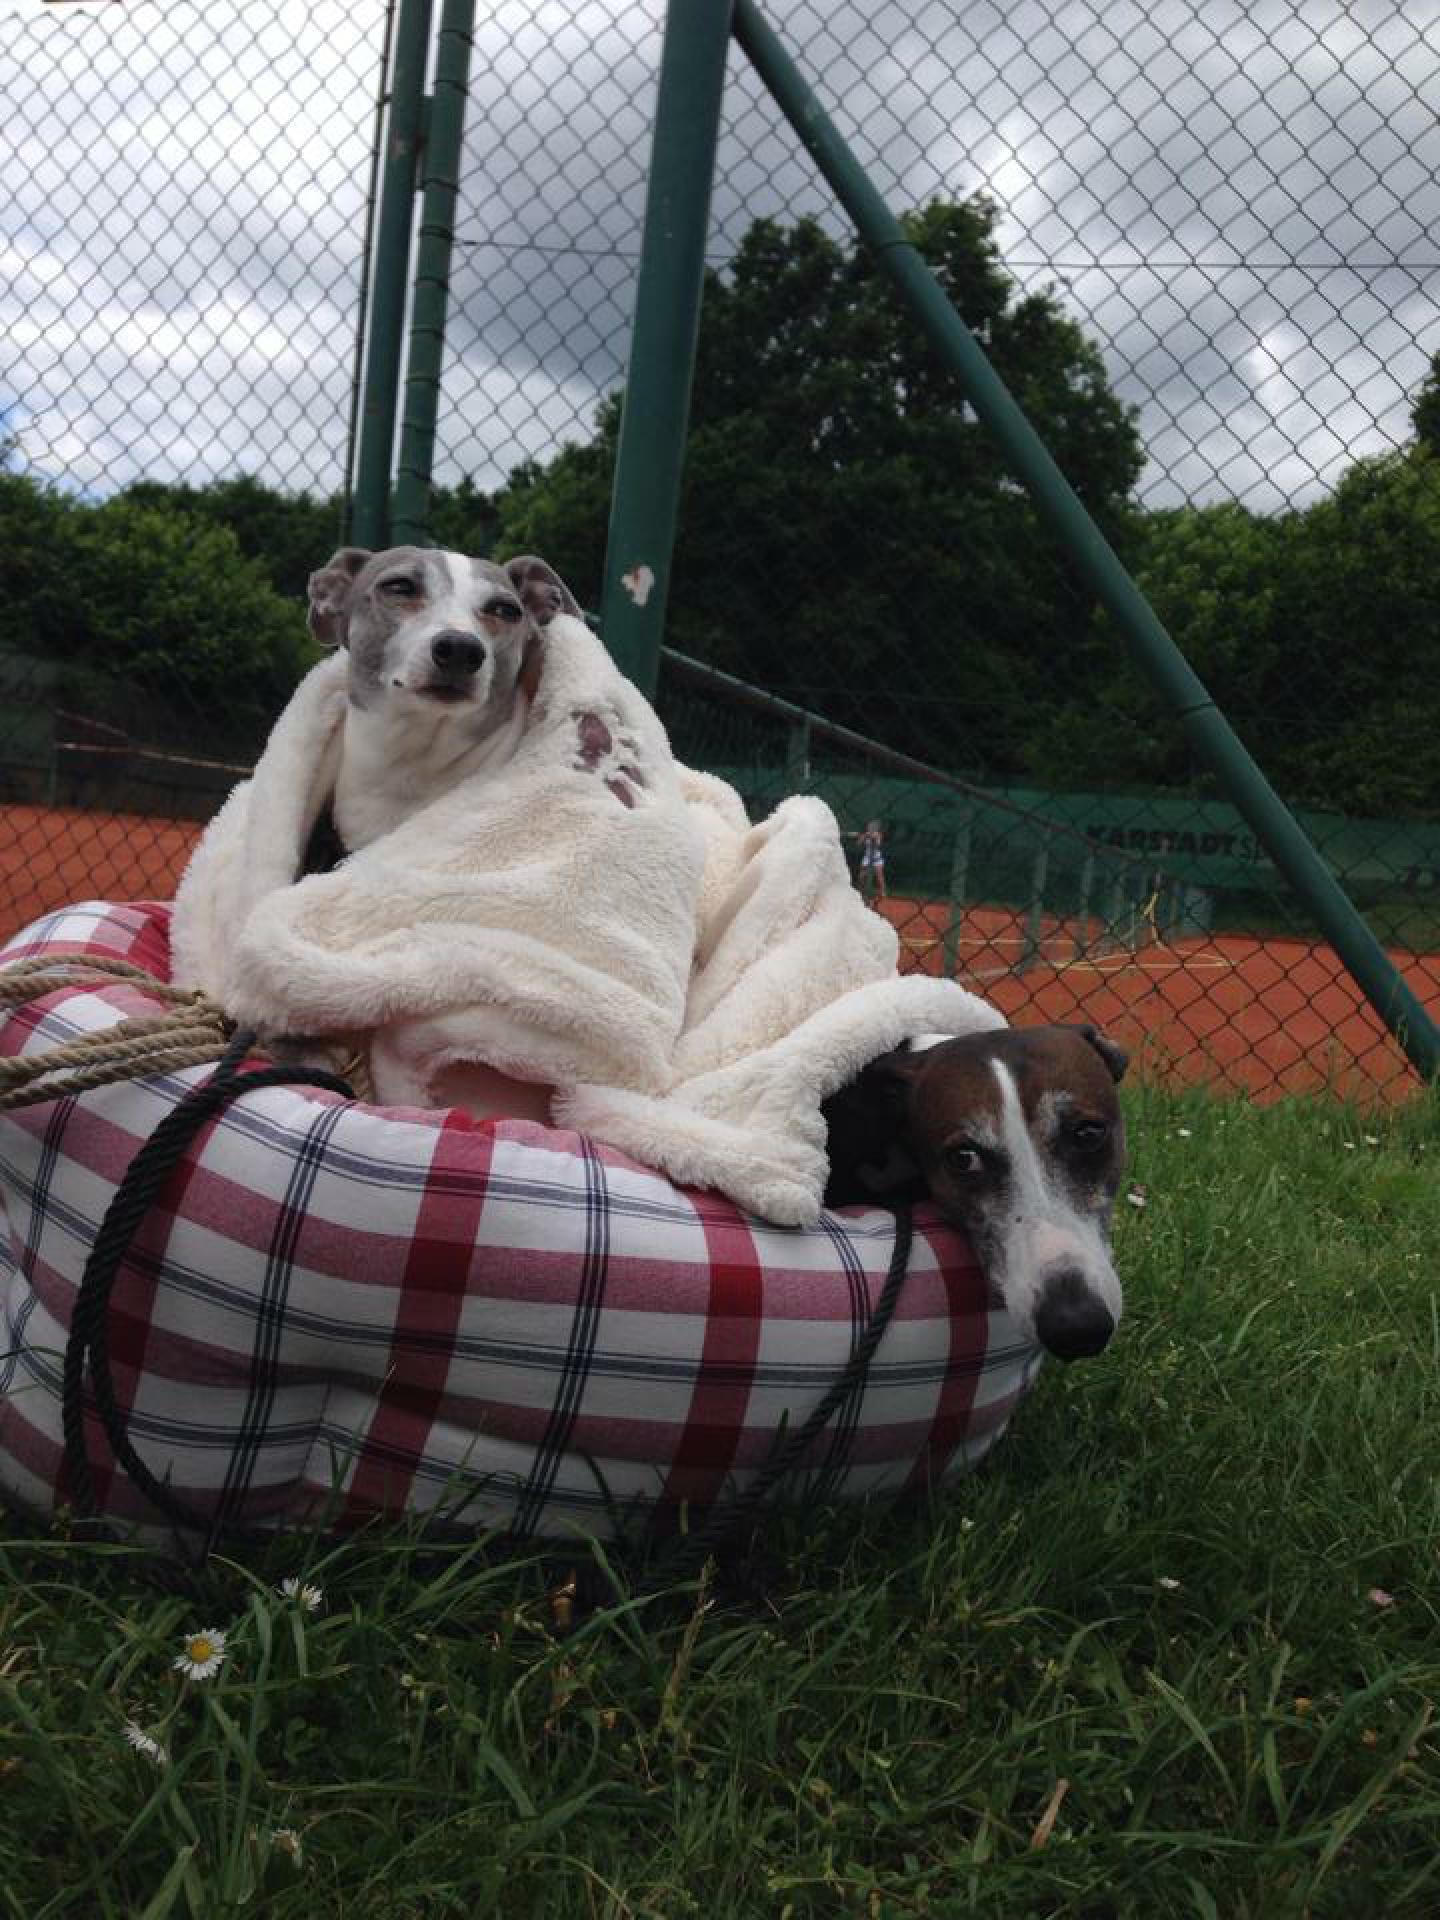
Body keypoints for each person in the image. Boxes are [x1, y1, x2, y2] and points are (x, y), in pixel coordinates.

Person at [851, 819, 887, 902]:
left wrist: (873, 836)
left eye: (873, 826)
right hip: (867, 858)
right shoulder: (865, 834)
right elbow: (858, 844)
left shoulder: (879, 835)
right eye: (870, 826)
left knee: (879, 876)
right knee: (861, 876)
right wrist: (863, 837)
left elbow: (878, 844)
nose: (871, 827)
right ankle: (861, 892)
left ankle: (883, 892)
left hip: (876, 859)